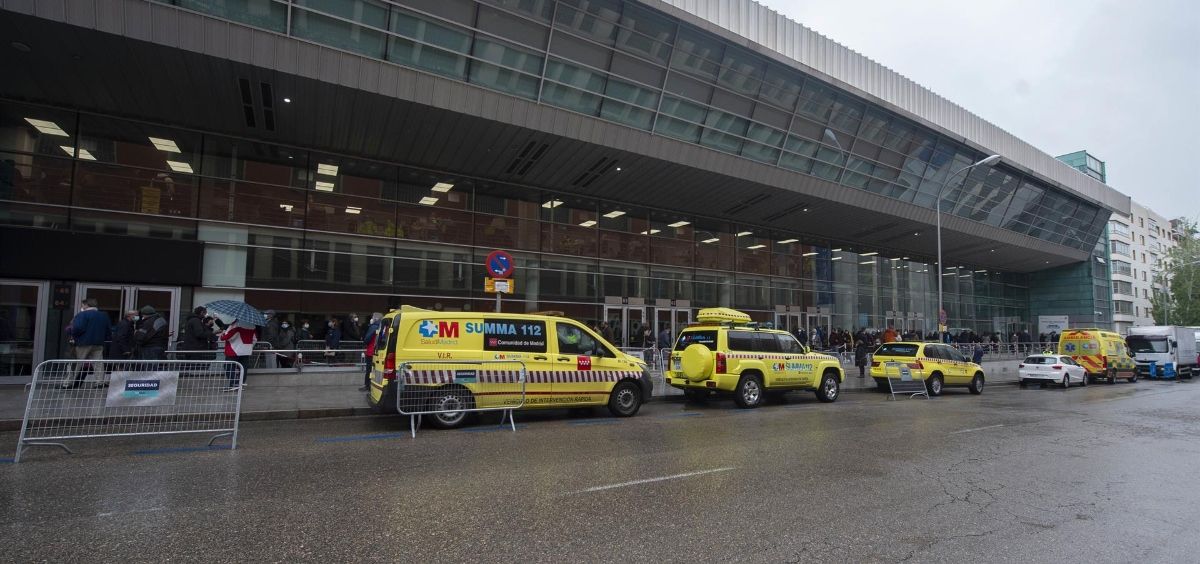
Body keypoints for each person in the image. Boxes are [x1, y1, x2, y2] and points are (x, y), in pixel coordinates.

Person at [62, 298, 110, 389]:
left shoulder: (82, 314)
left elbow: (78, 328)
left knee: (76, 363)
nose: (82, 307)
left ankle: (68, 383)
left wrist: (72, 334)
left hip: (83, 343)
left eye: (83, 305)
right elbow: (108, 330)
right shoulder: (104, 315)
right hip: (98, 343)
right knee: (98, 363)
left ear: (87, 305)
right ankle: (99, 382)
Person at [219, 321, 257, 391]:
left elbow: (226, 337)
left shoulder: (235, 324)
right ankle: (240, 384)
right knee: (243, 368)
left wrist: (223, 333)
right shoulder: (252, 325)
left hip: (233, 350)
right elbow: (254, 339)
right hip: (246, 350)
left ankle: (234, 384)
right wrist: (249, 347)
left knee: (229, 367)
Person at [359, 313, 383, 391]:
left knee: (369, 370)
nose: (371, 319)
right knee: (376, 370)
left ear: (376, 318)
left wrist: (364, 341)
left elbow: (367, 339)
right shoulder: (382, 326)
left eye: (373, 317)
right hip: (378, 352)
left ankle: (367, 385)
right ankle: (373, 385)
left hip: (370, 351)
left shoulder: (373, 327)